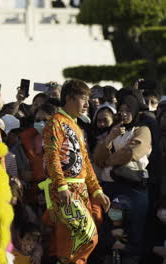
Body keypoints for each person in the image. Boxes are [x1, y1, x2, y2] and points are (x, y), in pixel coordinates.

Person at [41, 79, 110, 264]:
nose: (87, 104)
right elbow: (52, 156)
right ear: (69, 99)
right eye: (83, 98)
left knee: (80, 242)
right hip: (65, 192)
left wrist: (97, 191)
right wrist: (62, 187)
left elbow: (86, 162)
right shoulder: (56, 122)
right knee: (80, 240)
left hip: (81, 192)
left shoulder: (77, 127)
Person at [93, 94, 151, 263]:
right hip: (111, 188)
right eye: (121, 110)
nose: (124, 114)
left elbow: (132, 152)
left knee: (131, 235)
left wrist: (108, 161)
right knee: (110, 235)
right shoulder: (116, 130)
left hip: (133, 189)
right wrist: (110, 138)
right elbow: (97, 157)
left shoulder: (142, 130)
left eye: (128, 110)